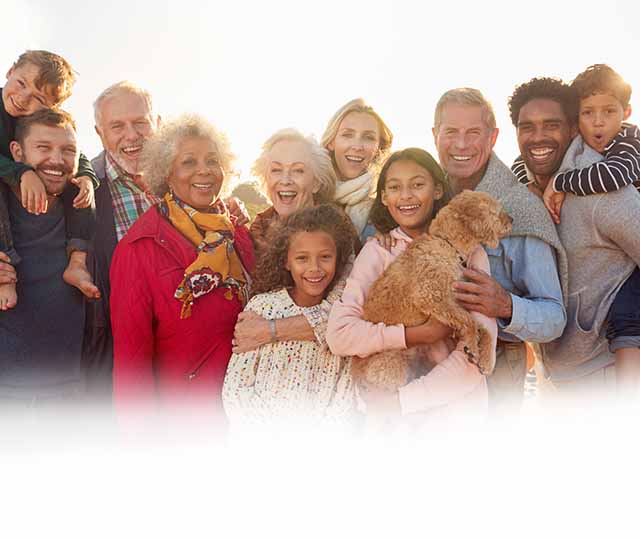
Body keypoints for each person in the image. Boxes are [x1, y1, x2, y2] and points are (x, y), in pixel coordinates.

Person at [84, 81, 249, 399]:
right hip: (132, 368)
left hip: (234, 388)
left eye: (140, 122)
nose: (131, 135)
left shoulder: (228, 222)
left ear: (157, 124)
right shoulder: (81, 190)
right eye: (117, 126)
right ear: (100, 132)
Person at [327, 148, 493, 426]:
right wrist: (415, 334)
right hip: (393, 425)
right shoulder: (377, 252)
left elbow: (477, 356)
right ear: (384, 197)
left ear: (438, 189)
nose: (405, 195)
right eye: (394, 187)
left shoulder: (469, 254)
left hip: (455, 417)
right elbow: (340, 335)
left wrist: (404, 401)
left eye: (417, 184)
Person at [109, 114, 255, 421]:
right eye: (189, 162)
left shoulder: (239, 233)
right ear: (167, 172)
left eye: (212, 160)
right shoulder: (140, 247)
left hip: (248, 409)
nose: (204, 170)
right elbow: (131, 363)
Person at [432, 88, 567, 416]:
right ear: (435, 135)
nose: (461, 145)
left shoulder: (521, 207)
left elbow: (554, 318)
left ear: (492, 138)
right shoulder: (424, 195)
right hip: (426, 370)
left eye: (473, 133)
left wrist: (506, 305)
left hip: (494, 378)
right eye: (451, 132)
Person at [508, 76, 640, 400]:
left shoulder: (605, 194)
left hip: (605, 380)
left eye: (551, 125)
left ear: (572, 129)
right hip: (552, 380)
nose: (538, 137)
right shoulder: (524, 189)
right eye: (527, 127)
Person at [223, 204, 357, 428]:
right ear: (286, 261)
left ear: (339, 260)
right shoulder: (263, 308)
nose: (314, 268)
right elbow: (236, 389)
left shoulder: (343, 320)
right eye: (302, 258)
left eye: (325, 257)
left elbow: (344, 395)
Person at [0, 50, 99, 311]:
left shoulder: (36, 121)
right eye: (21, 84)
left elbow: (76, 152)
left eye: (38, 99)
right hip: (7, 179)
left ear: (50, 108)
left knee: (75, 186)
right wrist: (22, 173)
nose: (22, 99)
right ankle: (5, 268)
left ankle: (77, 262)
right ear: (10, 72)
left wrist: (87, 177)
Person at [0, 109, 86, 404]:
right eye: (43, 148)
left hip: (70, 388)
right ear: (17, 151)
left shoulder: (83, 206)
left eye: (68, 150)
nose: (57, 160)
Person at [249, 128, 336, 253]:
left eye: (298, 170)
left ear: (317, 183)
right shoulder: (254, 235)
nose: (285, 180)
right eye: (276, 170)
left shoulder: (336, 232)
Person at [320, 98, 393, 241]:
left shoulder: (388, 207)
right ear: (331, 142)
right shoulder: (308, 195)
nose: (357, 146)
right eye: (347, 135)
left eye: (368, 138)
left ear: (379, 148)